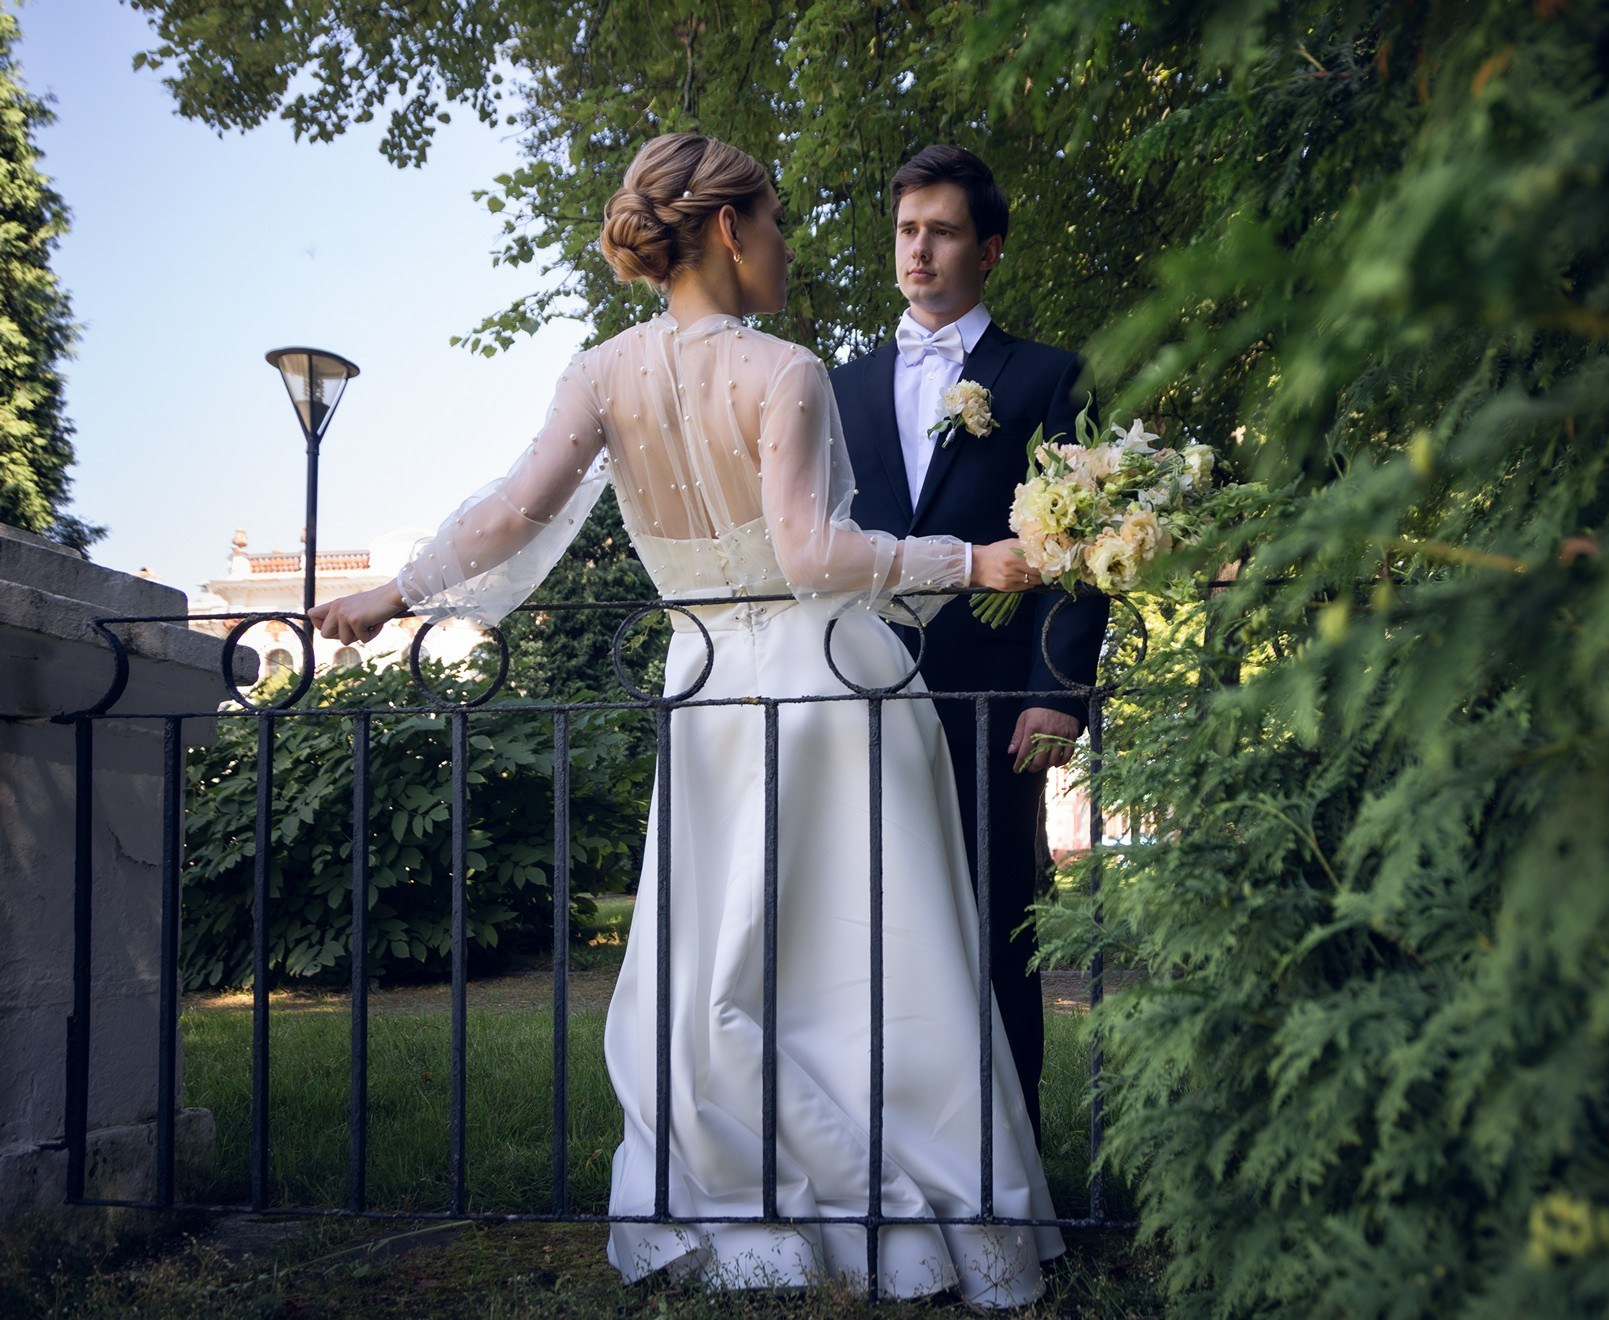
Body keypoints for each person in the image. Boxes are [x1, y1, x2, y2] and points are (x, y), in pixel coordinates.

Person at [309, 132, 1065, 1307]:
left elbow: (510, 515)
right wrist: (978, 560)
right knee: (878, 959)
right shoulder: (786, 370)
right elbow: (814, 553)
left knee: (729, 961)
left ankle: (749, 1198)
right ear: (728, 229)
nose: (786, 247)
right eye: (773, 225)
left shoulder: (601, 374)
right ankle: (913, 1213)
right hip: (833, 693)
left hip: (708, 695)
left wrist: (390, 594)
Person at [831, 146, 1108, 1140]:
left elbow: (1086, 546)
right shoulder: (840, 388)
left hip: (994, 706)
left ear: (988, 249)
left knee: (995, 939)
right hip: (858, 701)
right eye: (907, 229)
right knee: (871, 939)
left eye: (943, 230)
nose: (920, 248)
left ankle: (1010, 1180)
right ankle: (887, 1168)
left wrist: (1056, 692)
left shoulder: (1046, 377)